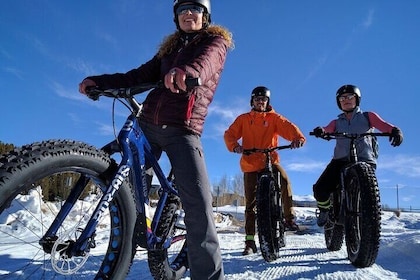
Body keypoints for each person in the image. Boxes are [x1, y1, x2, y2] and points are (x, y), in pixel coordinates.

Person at [79, 1, 233, 279]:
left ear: (205, 16)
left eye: (195, 8)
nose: (188, 13)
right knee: (128, 184)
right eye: (183, 9)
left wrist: (188, 74)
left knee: (198, 206)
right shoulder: (168, 51)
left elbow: (206, 63)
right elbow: (136, 76)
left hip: (183, 129)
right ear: (176, 17)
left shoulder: (215, 41)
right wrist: (99, 81)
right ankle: (137, 228)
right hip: (147, 124)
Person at [224, 86, 306, 255]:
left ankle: (289, 218)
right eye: (257, 99)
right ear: (252, 101)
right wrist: (235, 147)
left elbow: (287, 127)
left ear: (268, 102)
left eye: (263, 99)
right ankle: (249, 241)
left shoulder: (274, 118)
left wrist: (297, 138)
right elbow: (229, 134)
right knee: (250, 204)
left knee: (284, 181)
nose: (260, 102)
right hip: (250, 163)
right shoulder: (244, 119)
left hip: (270, 160)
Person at [311, 84, 403, 227]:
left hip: (364, 159)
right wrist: (321, 130)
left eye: (350, 96)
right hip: (340, 160)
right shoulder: (337, 122)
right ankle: (325, 209)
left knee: (368, 190)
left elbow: (383, 125)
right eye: (342, 98)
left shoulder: (368, 116)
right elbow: (328, 129)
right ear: (339, 102)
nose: (346, 100)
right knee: (320, 188)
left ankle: (367, 217)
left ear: (357, 99)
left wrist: (395, 130)